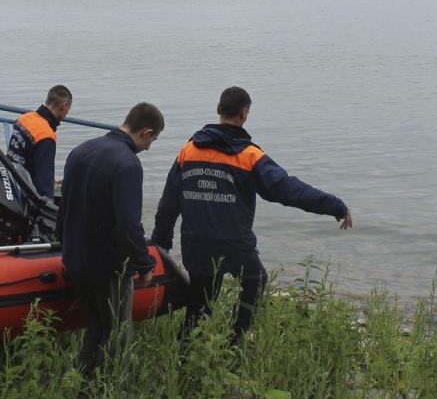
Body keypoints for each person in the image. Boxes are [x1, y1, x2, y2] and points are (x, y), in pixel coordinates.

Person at [151, 86, 353, 346]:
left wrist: (160, 245)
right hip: (234, 242)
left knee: (201, 301)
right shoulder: (249, 156)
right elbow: (290, 190)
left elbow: (168, 204)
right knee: (255, 281)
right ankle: (237, 339)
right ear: (244, 114)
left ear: (218, 110)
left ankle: (186, 351)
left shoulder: (188, 151)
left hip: (195, 242)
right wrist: (335, 206)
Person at [55, 102, 164, 380]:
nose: (150, 147)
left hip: (75, 258)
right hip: (107, 266)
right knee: (117, 330)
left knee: (98, 322)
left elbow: (64, 206)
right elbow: (129, 225)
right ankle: (112, 396)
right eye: (153, 140)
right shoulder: (127, 164)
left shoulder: (81, 150)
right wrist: (144, 263)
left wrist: (62, 243)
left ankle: (82, 383)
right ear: (146, 132)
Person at [6, 85, 72, 199]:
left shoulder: (26, 118)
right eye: (68, 109)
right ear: (64, 105)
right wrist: (49, 207)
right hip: (23, 192)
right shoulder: (46, 136)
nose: (67, 113)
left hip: (10, 180)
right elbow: (43, 180)